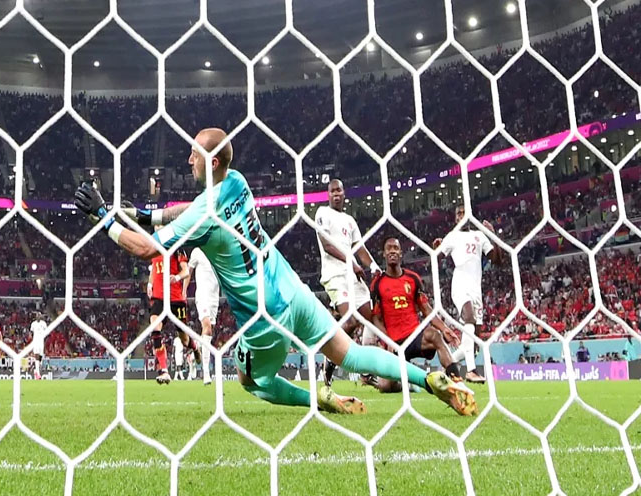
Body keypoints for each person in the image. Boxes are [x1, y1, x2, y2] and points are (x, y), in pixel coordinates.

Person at [74, 128, 476, 416]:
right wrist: (147, 213)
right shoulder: (236, 182)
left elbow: (148, 249)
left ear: (211, 160)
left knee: (250, 382)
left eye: (194, 153)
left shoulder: (205, 214)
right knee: (351, 354)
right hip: (293, 290)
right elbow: (187, 209)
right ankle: (431, 381)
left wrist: (103, 216)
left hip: (264, 319)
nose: (188, 159)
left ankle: (314, 399)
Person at [369, 238, 463, 393]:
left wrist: (444, 328)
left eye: (396, 248)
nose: (392, 251)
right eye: (389, 248)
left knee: (436, 335)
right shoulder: (377, 284)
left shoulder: (413, 279)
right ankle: (410, 383)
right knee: (386, 387)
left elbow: (426, 309)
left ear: (401, 254)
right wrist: (388, 341)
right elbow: (375, 318)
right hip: (395, 342)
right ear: (384, 254)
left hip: (414, 336)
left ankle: (457, 383)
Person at [314, 178, 379, 386]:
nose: (336, 194)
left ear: (344, 193)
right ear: (328, 195)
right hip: (335, 276)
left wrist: (374, 266)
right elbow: (326, 245)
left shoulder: (350, 221)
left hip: (353, 277)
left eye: (339, 191)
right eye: (332, 191)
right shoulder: (322, 213)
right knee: (350, 321)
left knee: (370, 316)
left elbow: (360, 248)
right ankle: (330, 359)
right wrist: (351, 263)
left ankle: (366, 372)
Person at [433, 205, 502, 384]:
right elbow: (435, 258)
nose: (462, 216)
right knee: (469, 318)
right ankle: (471, 371)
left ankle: (448, 364)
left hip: (476, 290)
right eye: (459, 213)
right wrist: (436, 250)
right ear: (455, 218)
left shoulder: (479, 236)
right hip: (459, 285)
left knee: (474, 343)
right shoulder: (452, 236)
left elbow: (497, 260)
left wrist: (493, 235)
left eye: (464, 212)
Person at [148, 240, 200, 384]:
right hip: (159, 298)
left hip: (176, 299)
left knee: (184, 340)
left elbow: (186, 270)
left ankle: (194, 347)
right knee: (155, 327)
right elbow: (154, 267)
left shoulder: (177, 248)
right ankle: (164, 370)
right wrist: (150, 283)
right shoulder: (154, 248)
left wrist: (176, 277)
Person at [188, 246, 221, 384]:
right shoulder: (197, 251)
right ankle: (206, 373)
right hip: (202, 295)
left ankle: (193, 355)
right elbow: (188, 271)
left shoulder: (218, 251)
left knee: (208, 333)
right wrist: (183, 291)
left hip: (215, 297)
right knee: (206, 327)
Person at [30, 312, 48, 380]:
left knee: (40, 357)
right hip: (36, 342)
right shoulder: (33, 324)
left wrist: (45, 341)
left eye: (39, 315)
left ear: (40, 316)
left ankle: (36, 370)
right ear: (36, 316)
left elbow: (46, 332)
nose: (38, 316)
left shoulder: (43, 323)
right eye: (37, 315)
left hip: (41, 342)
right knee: (37, 356)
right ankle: (38, 373)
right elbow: (31, 333)